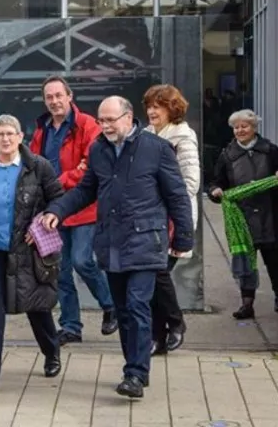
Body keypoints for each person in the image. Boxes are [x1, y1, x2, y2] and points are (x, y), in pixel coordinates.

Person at [43, 96, 193, 398]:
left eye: (111, 119)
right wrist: (57, 211)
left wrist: (183, 238)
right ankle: (134, 367)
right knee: (124, 310)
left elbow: (177, 195)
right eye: (101, 120)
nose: (105, 126)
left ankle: (135, 375)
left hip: (146, 241)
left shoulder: (156, 149)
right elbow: (86, 190)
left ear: (128, 117)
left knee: (138, 306)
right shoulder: (99, 149)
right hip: (111, 243)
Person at [0, 115, 64, 397]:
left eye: (10, 134)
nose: (5, 139)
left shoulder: (38, 167)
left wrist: (46, 217)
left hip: (27, 250)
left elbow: (58, 198)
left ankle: (51, 350)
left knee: (36, 307)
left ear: (20, 137)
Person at [28, 75, 116, 343]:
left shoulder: (88, 125)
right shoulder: (42, 129)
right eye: (49, 97)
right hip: (52, 209)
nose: (54, 101)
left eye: (58, 95)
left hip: (82, 207)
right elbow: (32, 163)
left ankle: (111, 305)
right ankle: (70, 326)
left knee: (82, 260)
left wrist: (56, 182)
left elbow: (89, 168)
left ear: (69, 96)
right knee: (60, 269)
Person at [208, 109, 278, 319]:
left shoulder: (269, 150)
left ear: (254, 128)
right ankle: (247, 303)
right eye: (236, 127)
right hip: (241, 217)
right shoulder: (227, 155)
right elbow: (216, 181)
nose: (240, 130)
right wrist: (215, 192)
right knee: (245, 260)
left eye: (244, 126)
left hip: (269, 215)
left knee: (273, 259)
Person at [143, 85, 201, 354]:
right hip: (149, 218)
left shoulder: (183, 137)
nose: (152, 111)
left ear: (172, 109)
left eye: (159, 106)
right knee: (151, 275)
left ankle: (175, 323)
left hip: (173, 218)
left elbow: (190, 183)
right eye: (150, 106)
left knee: (157, 272)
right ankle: (158, 336)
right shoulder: (145, 135)